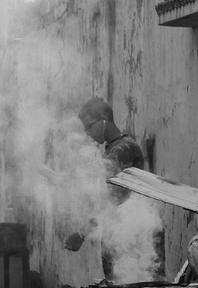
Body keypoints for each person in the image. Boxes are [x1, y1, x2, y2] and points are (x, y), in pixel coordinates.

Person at [64, 96, 151, 278]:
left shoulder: (124, 148)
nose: (87, 132)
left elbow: (110, 201)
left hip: (129, 238)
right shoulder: (113, 149)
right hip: (118, 234)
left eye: (89, 126)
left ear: (104, 120)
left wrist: (81, 234)